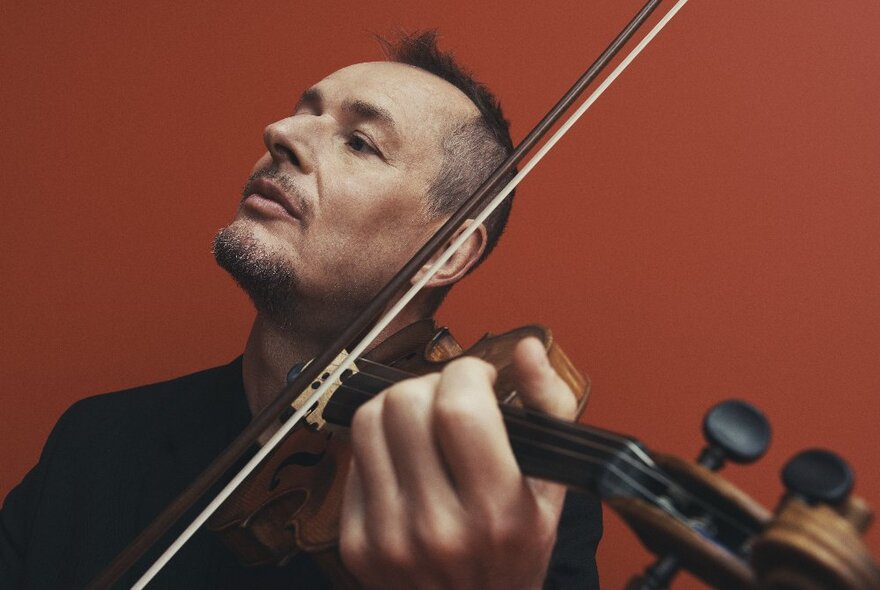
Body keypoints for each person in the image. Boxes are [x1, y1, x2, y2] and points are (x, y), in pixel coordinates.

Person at [0, 32, 602, 589]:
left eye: (360, 142)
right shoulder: (96, 441)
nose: (280, 132)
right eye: (304, 111)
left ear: (446, 251)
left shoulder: (503, 503)